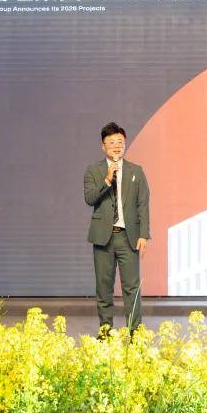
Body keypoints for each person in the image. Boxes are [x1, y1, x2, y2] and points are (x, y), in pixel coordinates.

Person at [83, 122, 150, 335]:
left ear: (125, 144)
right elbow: (89, 198)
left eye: (120, 142)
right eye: (111, 143)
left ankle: (135, 334)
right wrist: (107, 179)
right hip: (103, 238)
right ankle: (106, 333)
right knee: (104, 288)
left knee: (131, 288)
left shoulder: (136, 171)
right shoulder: (93, 170)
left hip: (128, 237)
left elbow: (143, 204)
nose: (116, 146)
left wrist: (143, 235)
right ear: (103, 146)